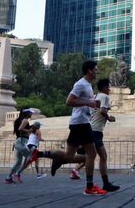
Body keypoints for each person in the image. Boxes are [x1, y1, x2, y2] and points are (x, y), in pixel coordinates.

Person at [41, 60, 106, 195]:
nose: (97, 71)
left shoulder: (87, 85)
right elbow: (69, 101)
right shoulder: (80, 84)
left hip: (81, 123)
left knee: (69, 155)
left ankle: (48, 156)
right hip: (80, 123)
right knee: (91, 154)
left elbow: (85, 103)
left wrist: (93, 103)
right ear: (89, 70)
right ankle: (89, 187)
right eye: (95, 69)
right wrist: (90, 103)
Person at [89, 78, 119, 191]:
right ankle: (104, 183)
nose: (110, 89)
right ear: (105, 87)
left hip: (92, 129)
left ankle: (104, 183)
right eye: (109, 87)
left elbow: (97, 110)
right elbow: (102, 111)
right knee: (101, 156)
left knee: (94, 156)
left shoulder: (96, 96)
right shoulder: (105, 97)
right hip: (96, 130)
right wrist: (109, 118)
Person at [5, 108, 33, 184]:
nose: (32, 114)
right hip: (21, 141)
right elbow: (20, 128)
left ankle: (9, 177)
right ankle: (17, 174)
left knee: (18, 162)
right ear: (27, 113)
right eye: (30, 112)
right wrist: (29, 130)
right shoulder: (25, 120)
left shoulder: (19, 120)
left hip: (18, 141)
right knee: (30, 157)